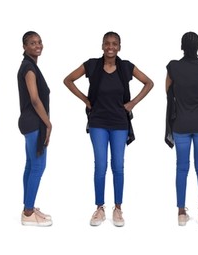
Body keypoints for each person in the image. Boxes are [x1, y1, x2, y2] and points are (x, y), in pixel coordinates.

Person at [64, 31, 154, 227]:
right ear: (102, 46)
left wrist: (132, 104)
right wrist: (86, 100)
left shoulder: (127, 67)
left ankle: (118, 208)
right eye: (107, 43)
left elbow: (149, 83)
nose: (110, 47)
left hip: (120, 123)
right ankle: (99, 208)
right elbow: (68, 80)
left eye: (114, 44)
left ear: (119, 47)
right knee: (100, 165)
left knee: (118, 166)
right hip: (98, 122)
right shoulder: (92, 65)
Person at [164, 32, 198, 226]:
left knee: (181, 167)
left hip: (181, 124)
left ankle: (181, 213)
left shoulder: (173, 67)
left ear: (182, 47)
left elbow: (168, 91)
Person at [17, 31, 52, 227]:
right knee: (38, 166)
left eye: (39, 42)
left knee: (31, 165)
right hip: (34, 123)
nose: (37, 45)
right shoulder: (29, 68)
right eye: (32, 43)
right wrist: (48, 123)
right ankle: (29, 213)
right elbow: (34, 99)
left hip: (29, 122)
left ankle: (27, 207)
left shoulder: (30, 66)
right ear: (24, 47)